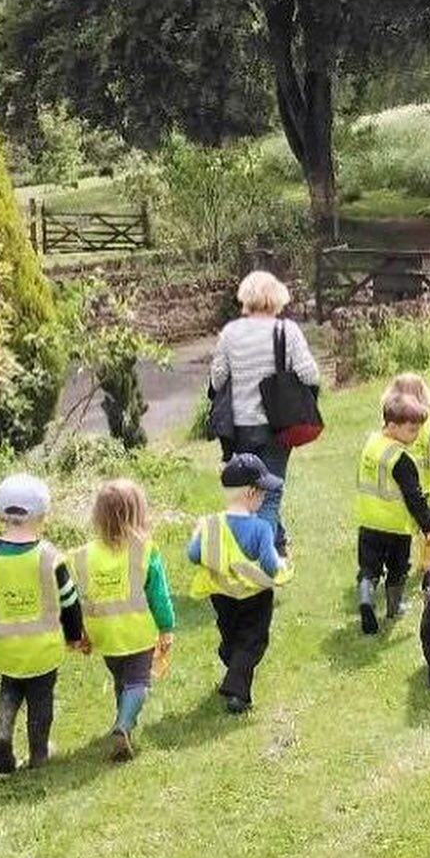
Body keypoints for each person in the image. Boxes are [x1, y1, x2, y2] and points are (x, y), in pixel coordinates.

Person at [0, 474, 85, 774]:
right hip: (42, 649)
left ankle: (3, 732)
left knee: (10, 688)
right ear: (43, 513)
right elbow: (70, 602)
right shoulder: (50, 558)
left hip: (2, 649)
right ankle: (39, 754)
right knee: (41, 698)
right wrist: (74, 636)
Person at [209, 269, 320, 554]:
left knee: (253, 491)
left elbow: (217, 379)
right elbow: (311, 375)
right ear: (277, 298)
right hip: (277, 427)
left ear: (246, 299)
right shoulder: (287, 331)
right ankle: (261, 560)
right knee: (270, 495)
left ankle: (277, 544)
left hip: (241, 429)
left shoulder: (230, 333)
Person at [70, 479, 175, 761]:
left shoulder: (82, 556)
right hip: (136, 633)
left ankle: (122, 722)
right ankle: (124, 725)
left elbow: (75, 599)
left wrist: (79, 632)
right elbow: (158, 594)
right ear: (137, 514)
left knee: (121, 680)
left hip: (104, 634)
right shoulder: (145, 550)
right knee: (139, 683)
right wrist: (166, 626)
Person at [187, 453, 293, 713]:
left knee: (231, 636)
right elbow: (269, 564)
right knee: (252, 642)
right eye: (262, 493)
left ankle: (230, 660)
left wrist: (197, 532)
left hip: (221, 595)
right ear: (251, 493)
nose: (265, 497)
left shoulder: (212, 524)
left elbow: (193, 555)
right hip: (254, 596)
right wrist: (283, 565)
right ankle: (237, 693)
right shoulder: (260, 529)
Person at [355, 392, 430, 634]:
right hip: (395, 527)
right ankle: (395, 606)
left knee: (369, 567)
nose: (415, 436)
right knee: (398, 568)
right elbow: (414, 497)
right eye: (411, 430)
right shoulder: (400, 459)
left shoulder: (372, 444)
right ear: (392, 426)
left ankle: (366, 596)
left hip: (368, 520)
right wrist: (428, 524)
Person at [381, 373, 430, 568]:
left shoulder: (390, 429)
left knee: (399, 528)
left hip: (396, 491)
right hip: (425, 492)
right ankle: (427, 558)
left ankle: (393, 560)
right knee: (429, 526)